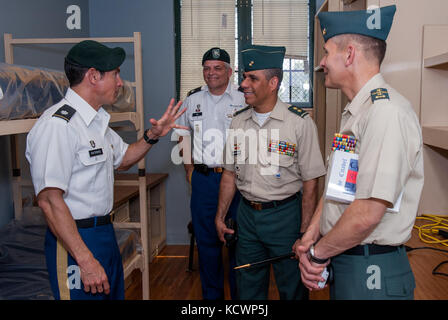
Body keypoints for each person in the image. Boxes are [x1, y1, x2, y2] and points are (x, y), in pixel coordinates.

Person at [25, 40, 186, 300]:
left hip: (103, 234)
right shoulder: (58, 126)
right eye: (116, 74)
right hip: (74, 240)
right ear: (93, 76)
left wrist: (152, 135)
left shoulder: (97, 122)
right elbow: (49, 201)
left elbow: (122, 159)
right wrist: (85, 260)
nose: (120, 82)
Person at [295, 5, 424, 300]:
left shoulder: (386, 113)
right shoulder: (357, 113)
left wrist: (316, 255)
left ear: (350, 54)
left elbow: (368, 213)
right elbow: (339, 190)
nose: (322, 62)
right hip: (349, 258)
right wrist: (313, 232)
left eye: (327, 52)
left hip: (372, 268)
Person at [215, 45, 326, 300]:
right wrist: (220, 217)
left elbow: (311, 183)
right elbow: (229, 174)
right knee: (247, 288)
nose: (243, 84)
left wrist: (304, 232)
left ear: (273, 82)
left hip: (285, 217)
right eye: (244, 77)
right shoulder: (238, 121)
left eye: (252, 78)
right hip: (247, 218)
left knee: (292, 289)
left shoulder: (299, 123)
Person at [174, 47, 246, 300]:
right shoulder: (192, 99)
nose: (211, 73)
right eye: (207, 68)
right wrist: (190, 172)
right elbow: (182, 137)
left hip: (238, 181)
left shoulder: (243, 97)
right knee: (207, 246)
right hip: (204, 181)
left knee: (239, 244)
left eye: (217, 68)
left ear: (229, 70)